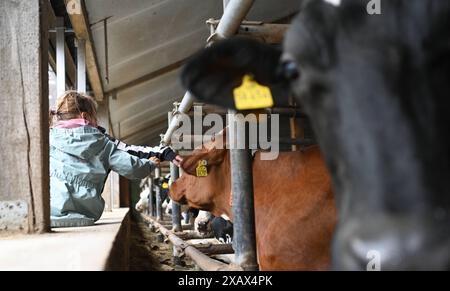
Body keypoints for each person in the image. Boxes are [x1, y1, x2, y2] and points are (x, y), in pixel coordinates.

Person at [49, 91, 182, 228]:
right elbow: (132, 167)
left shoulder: (48, 138)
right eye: (96, 117)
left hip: (49, 210)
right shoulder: (103, 144)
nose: (98, 122)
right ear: (85, 116)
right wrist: (149, 164)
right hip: (85, 212)